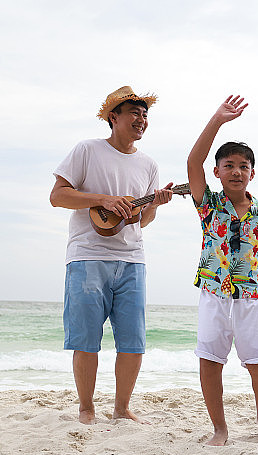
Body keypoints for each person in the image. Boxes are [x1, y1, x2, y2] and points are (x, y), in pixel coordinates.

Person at [50, 86, 174, 424]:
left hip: (133, 258)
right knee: (86, 338)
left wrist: (152, 206)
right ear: (113, 117)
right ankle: (86, 408)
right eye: (134, 112)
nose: (141, 119)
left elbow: (142, 221)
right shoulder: (87, 150)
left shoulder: (148, 164)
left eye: (145, 114)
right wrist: (102, 200)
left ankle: (121, 409)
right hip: (87, 255)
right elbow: (58, 196)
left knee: (133, 341)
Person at [187, 95, 258, 446]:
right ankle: (219, 428)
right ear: (217, 172)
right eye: (228, 165)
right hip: (214, 293)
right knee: (211, 361)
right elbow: (193, 161)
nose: (236, 172)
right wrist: (217, 120)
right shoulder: (208, 204)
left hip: (253, 297)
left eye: (243, 166)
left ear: (252, 173)